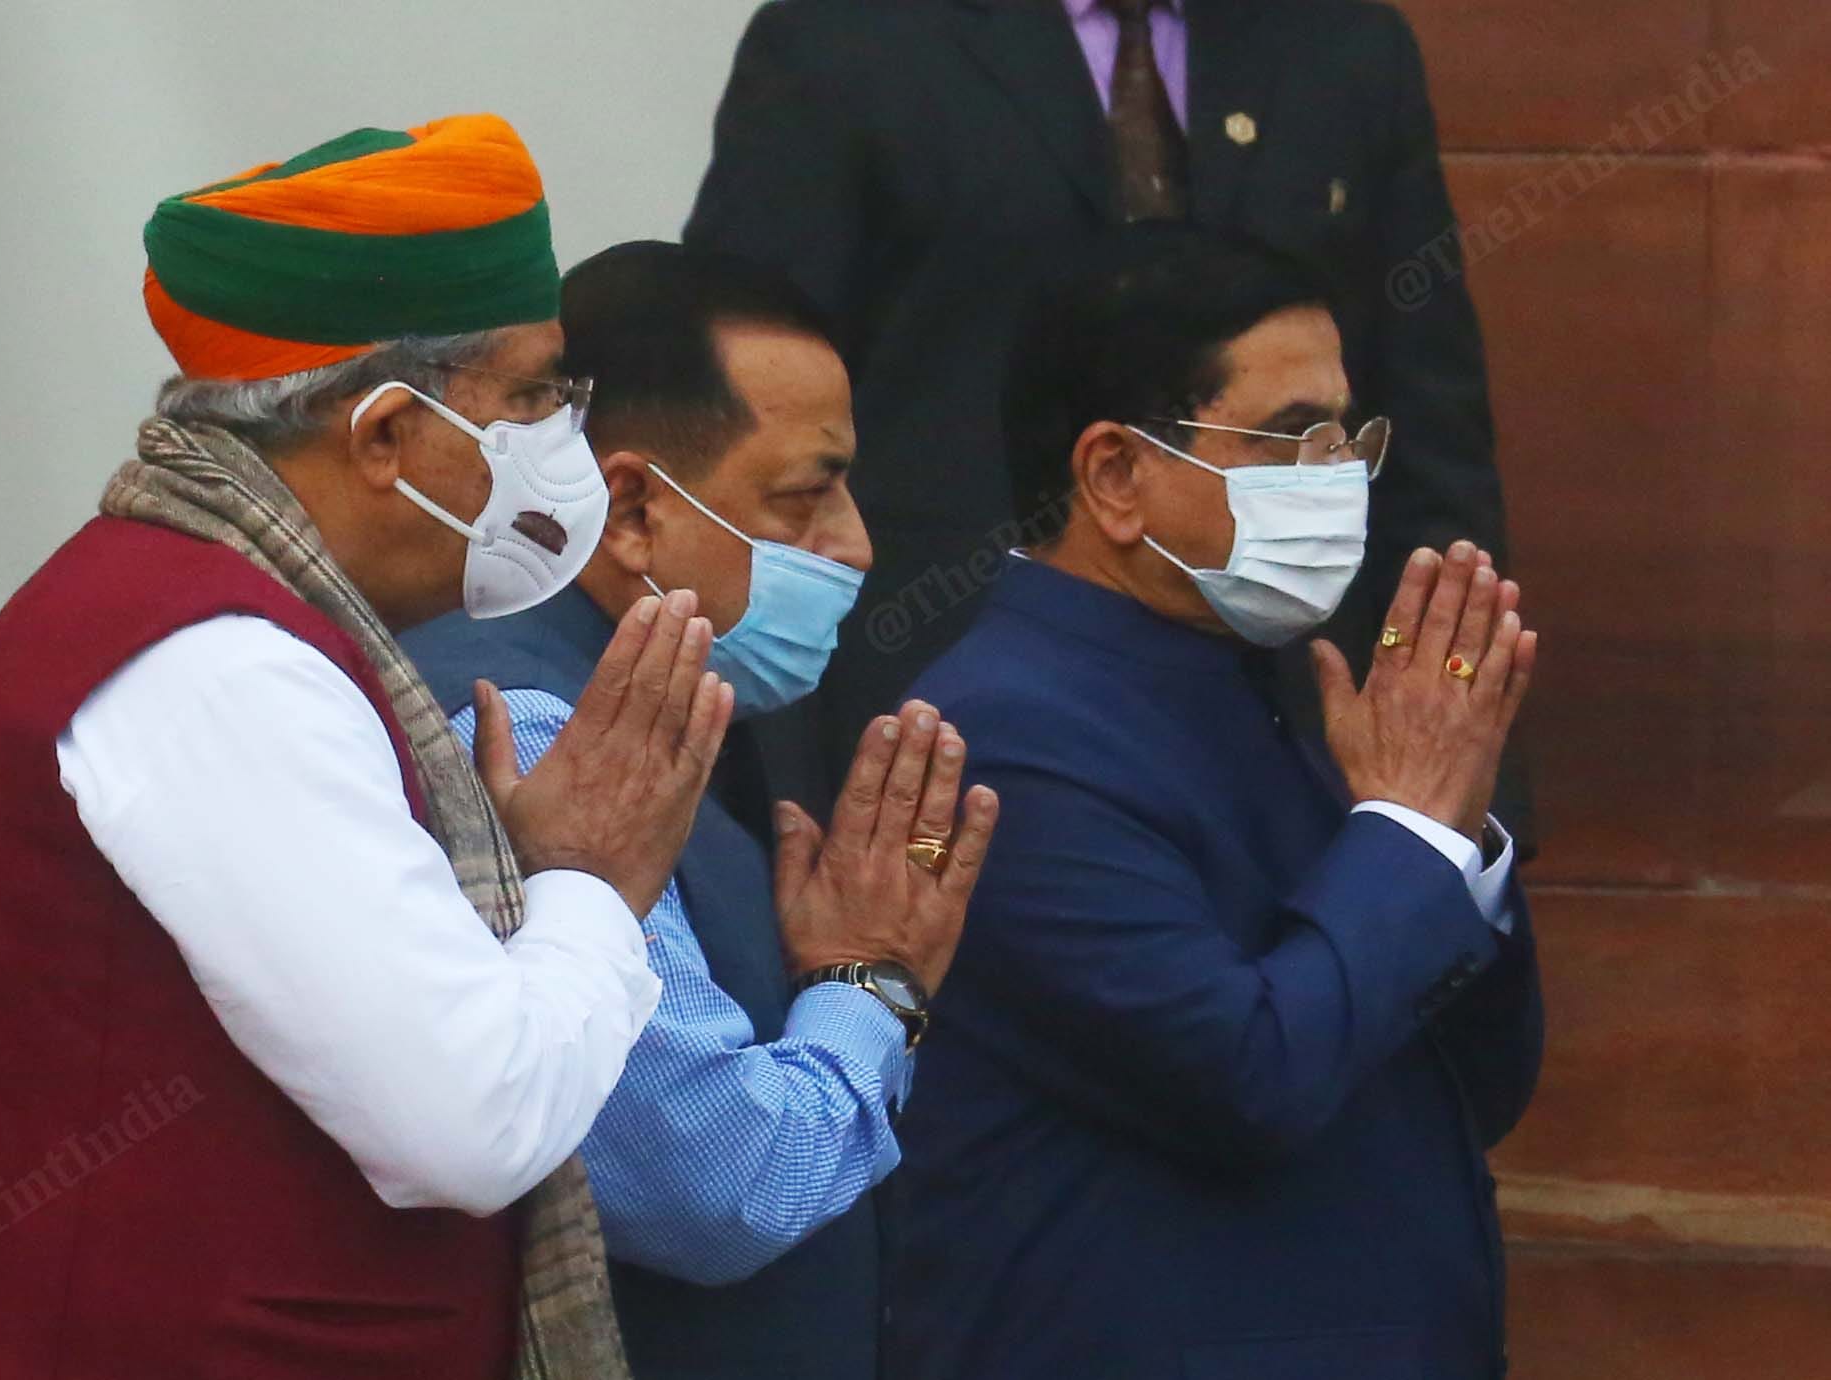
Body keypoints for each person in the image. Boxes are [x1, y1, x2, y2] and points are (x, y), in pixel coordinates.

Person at [0, 116, 731, 1380]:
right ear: (385, 438)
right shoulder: (216, 663)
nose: (566, 440)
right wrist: (592, 886)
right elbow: (469, 1123)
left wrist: (528, 887)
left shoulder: (225, 620)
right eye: (537, 394)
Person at [889, 225, 1544, 1380]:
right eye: (1293, 437)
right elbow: (1246, 1078)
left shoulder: (1263, 682)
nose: (1337, 478)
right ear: (1114, 476)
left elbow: (1475, 1087)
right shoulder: (1009, 733)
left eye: (1351, 437)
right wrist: (1408, 834)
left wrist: (1456, 849)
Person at [684, 0, 1524, 841]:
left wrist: (1472, 787)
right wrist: (772, 782)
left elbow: (1428, 428)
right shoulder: (845, 40)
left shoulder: (1341, 44)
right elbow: (739, 422)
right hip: (940, 716)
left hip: (1298, 729)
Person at [402, 241, 999, 1380]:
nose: (856, 543)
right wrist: (871, 981)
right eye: (805, 494)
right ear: (629, 506)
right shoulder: (529, 727)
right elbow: (717, 1187)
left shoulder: (667, 697)